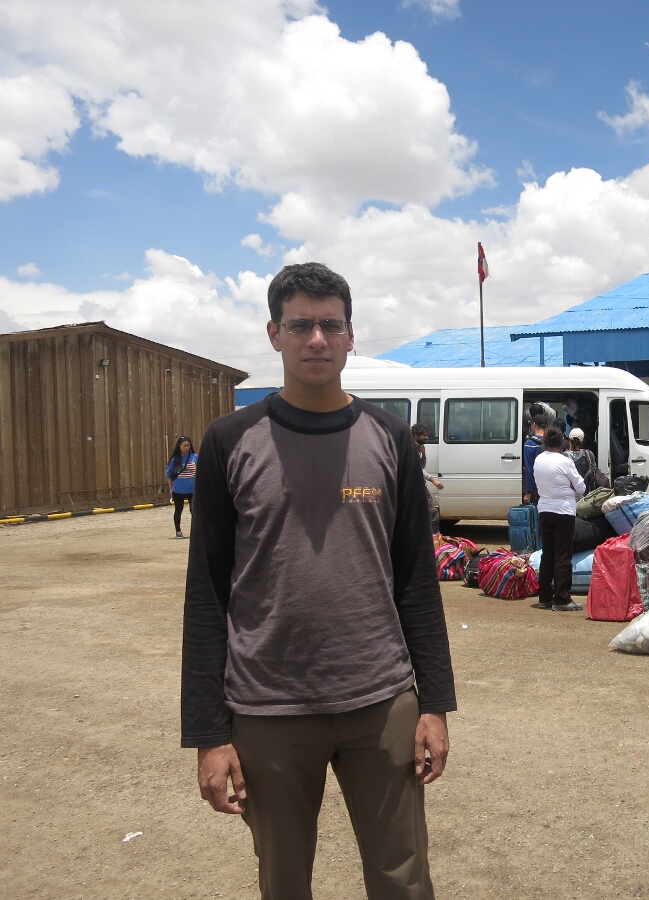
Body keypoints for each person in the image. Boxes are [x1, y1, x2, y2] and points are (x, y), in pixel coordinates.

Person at [182, 262, 455, 900]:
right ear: (273, 333)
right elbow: (208, 594)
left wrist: (434, 703)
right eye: (300, 325)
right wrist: (208, 734)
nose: (316, 339)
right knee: (283, 882)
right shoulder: (230, 441)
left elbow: (417, 580)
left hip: (380, 701)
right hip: (267, 709)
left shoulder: (388, 436)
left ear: (351, 335)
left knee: (402, 878)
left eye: (331, 325)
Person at [533, 426, 587, 611]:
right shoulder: (565, 462)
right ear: (562, 442)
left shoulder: (539, 459)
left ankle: (544, 597)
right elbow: (581, 488)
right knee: (563, 555)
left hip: (544, 510)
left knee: (547, 554)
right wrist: (569, 488)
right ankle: (562, 599)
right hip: (564, 512)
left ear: (545, 442)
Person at [165, 435, 197, 539]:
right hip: (178, 489)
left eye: (188, 445)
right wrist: (171, 488)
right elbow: (169, 474)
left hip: (193, 489)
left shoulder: (195, 457)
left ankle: (195, 531)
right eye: (184, 446)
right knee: (178, 510)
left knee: (194, 510)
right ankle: (178, 531)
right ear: (179, 446)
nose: (186, 448)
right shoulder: (174, 459)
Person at [413, 423, 443, 533]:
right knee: (432, 513)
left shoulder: (418, 447)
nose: (427, 438)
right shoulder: (411, 448)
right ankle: (433, 537)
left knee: (430, 513)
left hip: (420, 485)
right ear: (416, 435)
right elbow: (416, 469)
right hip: (415, 486)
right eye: (424, 435)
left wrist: (424, 454)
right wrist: (433, 480)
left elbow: (421, 466)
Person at [566, 427, 608, 492]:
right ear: (582, 441)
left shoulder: (563, 456)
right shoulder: (589, 454)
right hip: (586, 493)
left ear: (569, 440)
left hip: (568, 493)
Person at [522, 414, 547, 505]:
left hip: (536, 487)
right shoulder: (550, 442)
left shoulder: (530, 443)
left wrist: (528, 491)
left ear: (534, 425)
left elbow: (529, 469)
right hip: (550, 486)